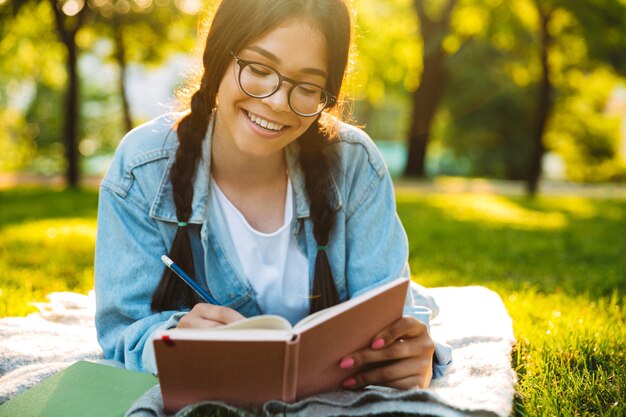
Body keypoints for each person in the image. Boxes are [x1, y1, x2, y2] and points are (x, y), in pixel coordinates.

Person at [94, 0, 450, 395]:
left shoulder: (355, 164)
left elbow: (390, 314)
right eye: (259, 70)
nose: (278, 103)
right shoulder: (143, 168)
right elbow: (123, 329)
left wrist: (408, 355)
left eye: (308, 87)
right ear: (218, 57)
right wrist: (174, 337)